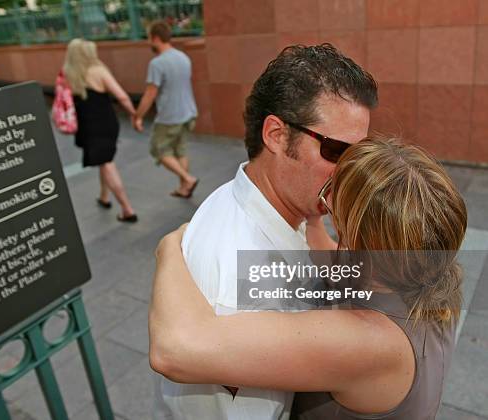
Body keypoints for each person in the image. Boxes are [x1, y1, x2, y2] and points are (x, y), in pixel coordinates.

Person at [150, 136, 467, 420]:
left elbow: (175, 350)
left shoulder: (367, 342)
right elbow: (336, 259)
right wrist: (314, 218)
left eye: (335, 205)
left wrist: (169, 249)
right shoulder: (434, 274)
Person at [149, 44, 378, 420]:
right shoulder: (239, 287)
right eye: (337, 151)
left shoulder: (284, 203)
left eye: (360, 154)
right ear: (275, 134)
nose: (352, 172)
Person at [63, 38, 138, 222]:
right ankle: (126, 208)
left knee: (104, 161)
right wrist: (135, 115)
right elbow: (121, 96)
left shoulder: (68, 73)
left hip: (87, 126)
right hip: (105, 123)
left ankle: (112, 201)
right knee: (105, 161)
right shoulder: (98, 70)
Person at [133, 21, 199, 198]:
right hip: (189, 112)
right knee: (181, 150)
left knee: (159, 150)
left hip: (170, 117)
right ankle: (184, 187)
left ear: (155, 38)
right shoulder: (183, 57)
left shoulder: (157, 63)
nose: (148, 43)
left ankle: (187, 178)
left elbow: (150, 94)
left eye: (148, 38)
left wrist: (138, 116)